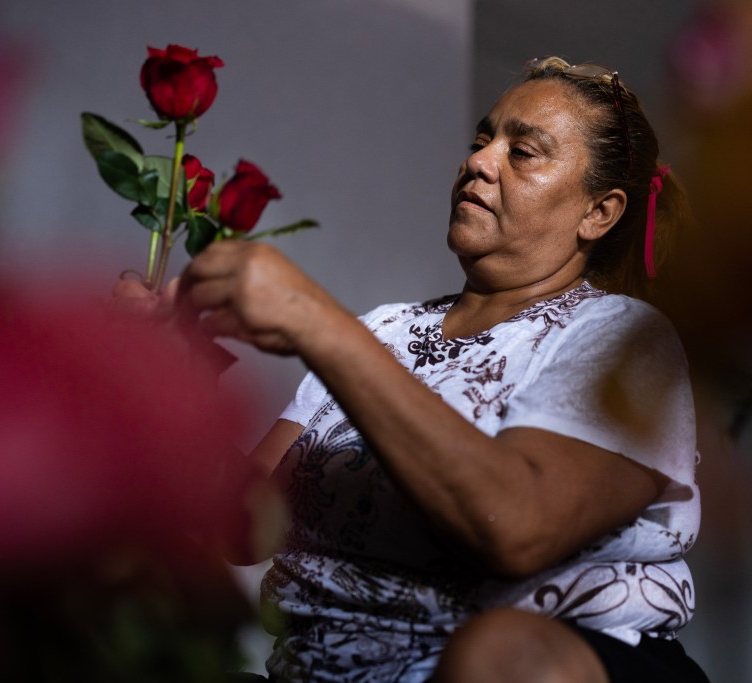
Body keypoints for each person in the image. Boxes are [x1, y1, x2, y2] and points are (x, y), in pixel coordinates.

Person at [139, 56, 709, 682]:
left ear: (598, 213)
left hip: (531, 666)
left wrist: (314, 322)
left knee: (500, 658)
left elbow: (516, 527)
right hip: (318, 668)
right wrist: (175, 374)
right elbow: (242, 530)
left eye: (524, 152)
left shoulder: (625, 340)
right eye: (481, 139)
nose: (480, 162)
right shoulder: (380, 330)